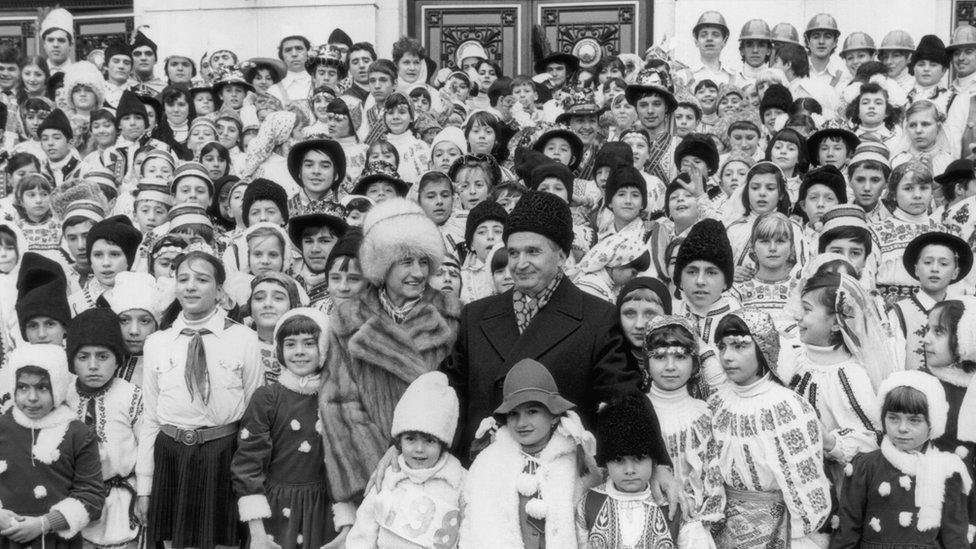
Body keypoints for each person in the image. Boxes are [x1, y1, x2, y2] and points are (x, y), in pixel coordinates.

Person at [318, 198, 460, 505]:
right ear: (382, 264)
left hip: (435, 467)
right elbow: (340, 401)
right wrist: (382, 459)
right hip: (375, 475)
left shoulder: (451, 316)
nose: (418, 273)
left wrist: (415, 451)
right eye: (406, 262)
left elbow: (458, 394)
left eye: (424, 262)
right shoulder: (348, 318)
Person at [137, 250, 263, 549]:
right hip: (171, 456)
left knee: (224, 542)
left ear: (220, 291)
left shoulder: (244, 339)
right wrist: (145, 487)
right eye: (183, 279)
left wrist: (252, 482)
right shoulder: (157, 342)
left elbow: (254, 418)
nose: (191, 286)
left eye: (202, 279)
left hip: (223, 455)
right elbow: (151, 417)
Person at [709, 309, 832, 547]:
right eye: (722, 347)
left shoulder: (787, 406)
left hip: (779, 529)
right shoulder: (717, 402)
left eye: (739, 346)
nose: (727, 356)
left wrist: (795, 532)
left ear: (763, 348)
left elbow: (804, 478)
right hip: (723, 527)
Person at [232, 308, 350, 549]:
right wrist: (257, 532)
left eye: (309, 343)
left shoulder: (334, 399)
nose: (299, 352)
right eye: (290, 344)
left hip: (322, 509)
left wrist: (347, 523)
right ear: (279, 350)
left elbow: (344, 465)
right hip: (274, 510)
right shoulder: (267, 398)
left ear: (324, 347)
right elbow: (248, 464)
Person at [459, 358, 600, 548]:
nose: (521, 423)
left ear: (554, 416)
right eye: (513, 414)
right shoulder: (489, 463)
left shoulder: (574, 461)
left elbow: (589, 528)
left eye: (532, 412)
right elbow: (471, 526)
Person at [831, 370, 972, 548]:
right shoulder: (865, 466)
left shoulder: (947, 469)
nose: (902, 428)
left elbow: (955, 537)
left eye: (914, 420)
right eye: (893, 418)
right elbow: (847, 531)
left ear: (932, 424)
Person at [0, 344, 106, 546]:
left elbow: (91, 496)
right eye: (23, 387)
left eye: (42, 388)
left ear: (57, 388)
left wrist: (44, 523)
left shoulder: (78, 434)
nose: (31, 398)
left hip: (55, 541)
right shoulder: (2, 427)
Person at [345, 372, 466, 548]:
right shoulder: (389, 479)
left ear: (443, 444)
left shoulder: (460, 482)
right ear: (399, 441)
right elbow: (364, 531)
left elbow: (472, 530)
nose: (419, 449)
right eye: (410, 439)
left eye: (429, 440)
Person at [642, 316, 724, 546]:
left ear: (695, 363)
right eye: (659, 357)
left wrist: (700, 522)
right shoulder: (635, 410)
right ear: (646, 364)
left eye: (680, 356)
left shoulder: (706, 414)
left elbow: (715, 478)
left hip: (696, 527)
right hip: (644, 522)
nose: (670, 367)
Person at [65, 308, 142, 549]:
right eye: (83, 357)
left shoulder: (131, 396)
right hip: (79, 501)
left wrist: (145, 493)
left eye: (102, 356)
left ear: (117, 358)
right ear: (71, 361)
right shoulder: (65, 397)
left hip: (124, 500)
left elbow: (147, 450)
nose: (93, 366)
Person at [576, 393, 682, 547]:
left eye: (639, 458)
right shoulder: (589, 502)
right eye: (618, 459)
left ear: (653, 460)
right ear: (606, 461)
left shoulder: (673, 504)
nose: (629, 470)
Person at [892, 232, 973, 370]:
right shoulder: (899, 312)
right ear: (916, 269)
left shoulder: (964, 312)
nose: (935, 269)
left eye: (943, 263)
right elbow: (894, 364)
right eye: (928, 262)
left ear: (955, 272)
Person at [674, 218, 740, 346]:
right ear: (680, 279)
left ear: (726, 281)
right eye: (692, 272)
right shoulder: (670, 312)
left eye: (711, 272)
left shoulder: (740, 322)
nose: (700, 281)